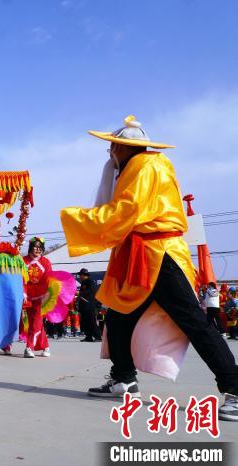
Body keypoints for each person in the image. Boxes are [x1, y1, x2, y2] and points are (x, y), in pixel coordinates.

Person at [60, 115, 238, 421]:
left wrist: (76, 218)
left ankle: (235, 388)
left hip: (159, 255)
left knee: (193, 322)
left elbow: (125, 211)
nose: (110, 153)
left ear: (123, 147)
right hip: (139, 252)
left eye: (113, 147)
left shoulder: (145, 166)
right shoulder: (142, 166)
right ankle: (123, 379)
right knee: (118, 318)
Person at [21, 237, 51, 358]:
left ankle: (29, 347)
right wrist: (23, 292)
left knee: (36, 321)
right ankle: (46, 346)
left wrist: (46, 294)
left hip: (40, 296)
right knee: (32, 322)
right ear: (30, 247)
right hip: (26, 296)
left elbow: (47, 279)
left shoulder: (46, 262)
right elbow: (21, 277)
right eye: (35, 247)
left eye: (40, 248)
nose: (38, 250)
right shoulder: (23, 261)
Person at [77, 268, 101, 342]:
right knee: (85, 322)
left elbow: (91, 290)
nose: (80, 276)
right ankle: (88, 336)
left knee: (92, 322)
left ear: (85, 275)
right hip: (84, 306)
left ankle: (98, 337)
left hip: (89, 305)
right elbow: (82, 293)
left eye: (81, 275)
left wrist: (81, 293)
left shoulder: (90, 282)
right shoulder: (83, 283)